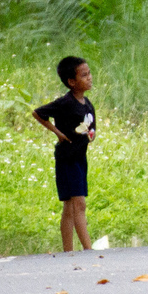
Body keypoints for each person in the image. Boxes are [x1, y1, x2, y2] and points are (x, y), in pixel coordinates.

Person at [33, 56, 96, 251]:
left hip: (80, 157)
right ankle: (88, 249)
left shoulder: (87, 104)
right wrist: (58, 133)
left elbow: (89, 127)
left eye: (89, 73)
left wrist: (91, 135)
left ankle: (68, 251)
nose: (89, 78)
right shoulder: (65, 102)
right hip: (67, 158)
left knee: (69, 206)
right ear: (71, 81)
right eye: (83, 75)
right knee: (79, 204)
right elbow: (38, 113)